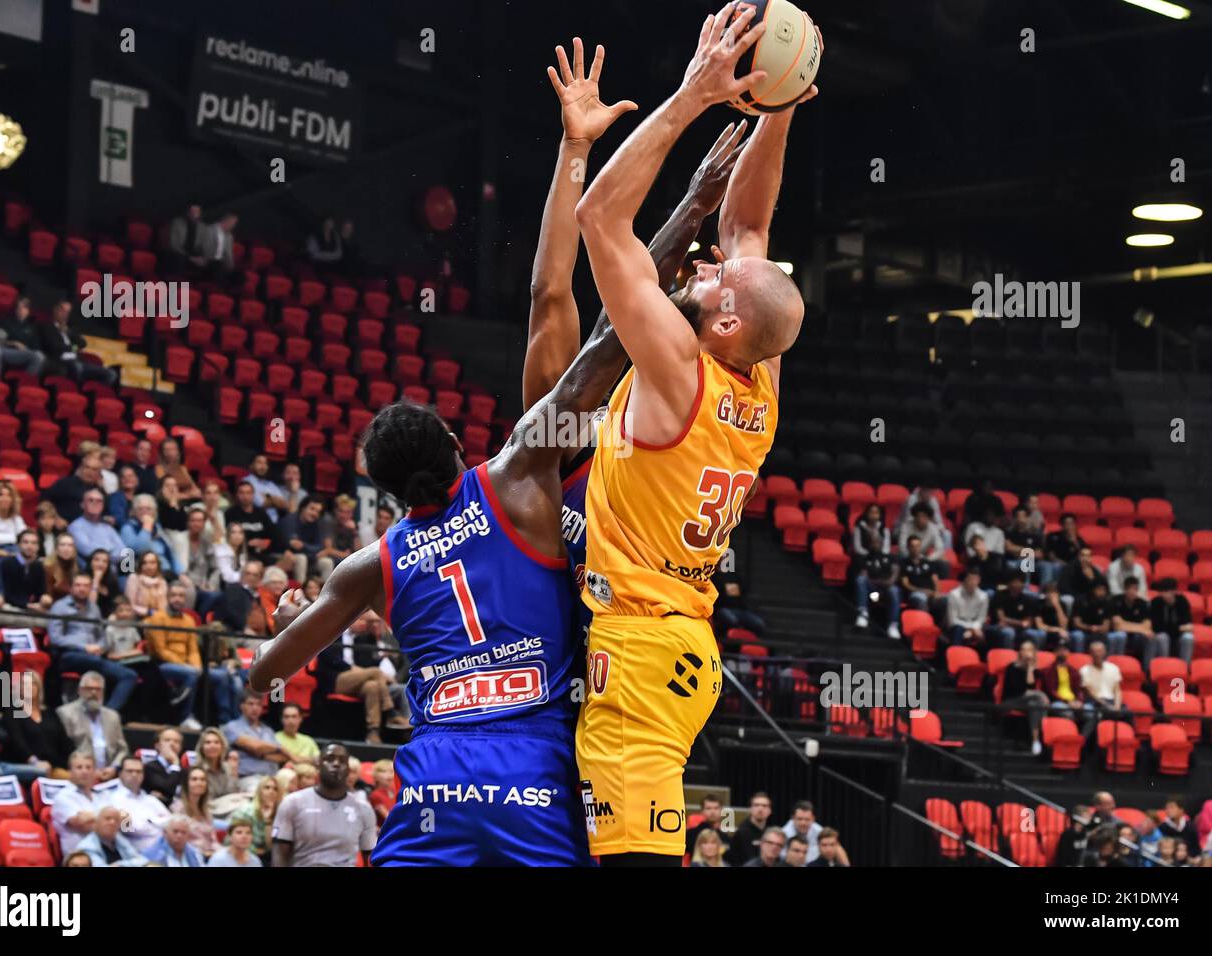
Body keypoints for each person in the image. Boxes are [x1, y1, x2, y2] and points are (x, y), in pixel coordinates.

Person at [251, 36, 730, 868]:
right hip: (563, 743)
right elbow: (596, 320)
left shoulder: (380, 557)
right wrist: (675, 199)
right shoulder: (526, 462)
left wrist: (288, 628)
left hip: (441, 779)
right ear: (452, 440)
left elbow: (265, 673)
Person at [569, 6, 823, 865]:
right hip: (676, 641)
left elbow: (601, 222)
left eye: (715, 279)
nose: (707, 266)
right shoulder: (758, 366)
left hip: (642, 654)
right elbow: (747, 232)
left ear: (719, 324)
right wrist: (779, 104)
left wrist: (690, 97)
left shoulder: (680, 366)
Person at [145, 581, 237, 727]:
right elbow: (160, 650)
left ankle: (225, 722)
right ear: (167, 597)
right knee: (192, 674)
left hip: (188, 666)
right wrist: (190, 667)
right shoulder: (157, 618)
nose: (178, 599)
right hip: (163, 665)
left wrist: (197, 667)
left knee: (223, 676)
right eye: (174, 595)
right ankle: (185, 717)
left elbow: (193, 649)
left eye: (181, 596)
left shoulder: (188, 620)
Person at [271, 743, 377, 867]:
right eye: (329, 759)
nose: (336, 764)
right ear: (318, 765)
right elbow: (279, 855)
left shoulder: (363, 808)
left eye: (342, 761)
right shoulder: (293, 802)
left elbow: (370, 858)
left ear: (348, 769)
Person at [48, 572, 137, 713]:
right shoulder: (60, 607)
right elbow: (55, 638)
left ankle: (107, 713)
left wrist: (100, 647)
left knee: (129, 675)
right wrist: (85, 647)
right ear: (71, 588)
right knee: (96, 662)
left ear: (90, 589)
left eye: (85, 586)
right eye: (77, 585)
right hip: (69, 655)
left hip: (94, 657)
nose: (81, 589)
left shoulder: (94, 608)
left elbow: (101, 636)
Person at [314, 612, 407, 743]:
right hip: (335, 679)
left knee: (372, 686)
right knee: (375, 672)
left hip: (356, 680)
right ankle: (390, 711)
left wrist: (381, 657)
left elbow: (366, 662)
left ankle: (373, 733)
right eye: (361, 620)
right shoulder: (333, 633)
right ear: (351, 620)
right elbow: (331, 659)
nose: (365, 624)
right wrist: (356, 669)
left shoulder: (361, 639)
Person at [56, 671, 129, 778]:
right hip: (80, 774)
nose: (94, 693)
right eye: (89, 688)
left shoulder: (113, 716)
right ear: (80, 690)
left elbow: (123, 749)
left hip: (110, 774)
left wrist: (114, 767)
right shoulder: (65, 713)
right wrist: (88, 770)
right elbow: (65, 749)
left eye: (98, 689)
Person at [2, 672, 73, 776]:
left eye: (33, 683)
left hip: (57, 765)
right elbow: (17, 742)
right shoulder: (13, 712)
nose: (29, 687)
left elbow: (64, 740)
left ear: (39, 687)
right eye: (24, 684)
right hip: (29, 766)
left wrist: (74, 760)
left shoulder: (49, 712)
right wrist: (34, 761)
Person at [223, 691, 290, 789]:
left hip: (273, 777)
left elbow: (283, 757)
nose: (255, 708)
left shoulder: (268, 730)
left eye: (258, 704)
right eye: (251, 704)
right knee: (260, 791)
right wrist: (277, 748)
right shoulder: (232, 727)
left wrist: (262, 755)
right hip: (249, 778)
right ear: (242, 706)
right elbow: (255, 747)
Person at [39, 300, 116, 385]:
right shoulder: (47, 327)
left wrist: (68, 332)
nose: (65, 314)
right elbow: (55, 346)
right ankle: (77, 389)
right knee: (77, 367)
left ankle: (93, 393)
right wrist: (74, 348)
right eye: (63, 310)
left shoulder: (70, 330)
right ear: (55, 310)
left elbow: (83, 343)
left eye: (68, 312)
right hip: (61, 363)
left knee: (111, 373)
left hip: (78, 361)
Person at [109, 755, 171, 852]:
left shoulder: (150, 799)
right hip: (137, 853)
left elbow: (171, 821)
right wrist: (157, 822)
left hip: (164, 849)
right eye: (130, 771)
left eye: (138, 771)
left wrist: (149, 822)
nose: (134, 775)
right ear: (120, 774)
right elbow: (129, 828)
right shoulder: (114, 799)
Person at [51, 752, 107, 856]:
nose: (84, 771)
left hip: (108, 853)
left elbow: (125, 821)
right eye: (79, 767)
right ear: (70, 772)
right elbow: (82, 825)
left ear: (95, 772)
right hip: (81, 857)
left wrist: (91, 816)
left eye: (88, 767)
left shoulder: (103, 795)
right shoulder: (63, 797)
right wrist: (110, 818)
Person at [1001, 638, 1050, 755]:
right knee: (1039, 698)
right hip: (1011, 701)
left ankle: (1035, 741)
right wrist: (1041, 694)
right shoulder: (1011, 667)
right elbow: (1018, 690)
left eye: (1029, 650)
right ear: (1019, 652)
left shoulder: (1035, 670)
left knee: (1034, 704)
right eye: (1023, 649)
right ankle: (1042, 735)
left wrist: (1030, 669)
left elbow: (1031, 687)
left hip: (1028, 703)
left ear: (1034, 653)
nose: (1026, 652)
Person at [1040, 641, 1096, 738]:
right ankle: (1070, 739)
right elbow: (1051, 691)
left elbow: (1079, 691)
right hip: (1057, 702)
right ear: (1055, 653)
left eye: (1065, 650)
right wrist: (1067, 702)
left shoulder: (1074, 671)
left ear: (1068, 653)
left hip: (1074, 702)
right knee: (1067, 713)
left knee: (1092, 712)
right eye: (1059, 650)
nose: (1062, 653)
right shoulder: (1048, 670)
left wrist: (1079, 702)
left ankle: (1082, 739)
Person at [854, 529, 902, 639]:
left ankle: (893, 625)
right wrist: (880, 582)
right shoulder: (864, 559)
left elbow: (893, 578)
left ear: (881, 543)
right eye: (872, 542)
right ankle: (863, 613)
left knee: (894, 590)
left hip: (886, 594)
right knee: (861, 580)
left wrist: (881, 581)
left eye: (877, 541)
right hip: (873, 594)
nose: (875, 544)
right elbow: (864, 577)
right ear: (869, 544)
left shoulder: (891, 558)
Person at [170, 765, 218, 858]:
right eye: (194, 779)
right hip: (191, 857)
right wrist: (204, 854)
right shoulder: (177, 809)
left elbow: (213, 840)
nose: (199, 783)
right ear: (186, 784)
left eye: (202, 779)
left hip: (211, 856)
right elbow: (179, 842)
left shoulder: (206, 811)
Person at [67, 488, 126, 564]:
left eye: (99, 501)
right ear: (82, 505)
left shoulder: (107, 527)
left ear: (103, 506)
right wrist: (112, 549)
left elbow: (124, 552)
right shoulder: (75, 527)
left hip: (112, 573)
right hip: (87, 574)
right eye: (90, 500)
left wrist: (103, 551)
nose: (95, 503)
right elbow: (89, 551)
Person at [43, 452, 104, 525]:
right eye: (87, 467)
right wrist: (56, 518)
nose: (89, 472)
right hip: (63, 528)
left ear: (99, 473)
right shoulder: (65, 483)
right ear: (81, 468)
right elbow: (44, 500)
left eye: (94, 469)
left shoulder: (100, 492)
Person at [989, 572, 1045, 649]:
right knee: (1009, 632)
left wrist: (1014, 623)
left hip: (1019, 629)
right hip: (999, 626)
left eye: (1021, 582)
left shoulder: (1028, 599)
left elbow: (1027, 623)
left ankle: (1037, 658)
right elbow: (1001, 618)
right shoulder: (999, 595)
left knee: (1038, 634)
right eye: (1016, 582)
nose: (1019, 584)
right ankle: (1008, 657)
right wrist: (1020, 623)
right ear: (1009, 583)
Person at [76, 806, 147, 867]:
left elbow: (141, 860)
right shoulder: (86, 846)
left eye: (116, 820)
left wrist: (120, 865)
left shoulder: (119, 839)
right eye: (107, 818)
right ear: (96, 822)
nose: (112, 822)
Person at [1149, 578, 1196, 665]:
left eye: (1167, 591)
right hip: (1163, 634)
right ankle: (1164, 665)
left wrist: (1174, 628)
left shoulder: (1182, 601)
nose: (1164, 594)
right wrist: (1179, 628)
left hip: (1179, 635)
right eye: (1162, 591)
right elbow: (1157, 627)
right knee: (1163, 637)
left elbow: (1188, 623)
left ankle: (1185, 667)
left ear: (1174, 591)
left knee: (1189, 637)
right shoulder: (1156, 602)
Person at [1108, 576, 1153, 661]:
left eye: (1135, 589)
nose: (1133, 592)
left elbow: (1147, 626)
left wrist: (1125, 624)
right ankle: (1117, 663)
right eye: (1130, 589)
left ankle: (1147, 669)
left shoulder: (1142, 603)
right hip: (1118, 635)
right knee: (1121, 635)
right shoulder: (1115, 601)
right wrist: (1141, 628)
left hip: (1136, 637)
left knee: (1150, 637)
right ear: (1125, 589)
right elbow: (1118, 626)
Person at [724, 792, 774, 866]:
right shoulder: (741, 833)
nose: (760, 809)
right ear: (750, 809)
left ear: (770, 811)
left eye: (764, 806)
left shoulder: (771, 833)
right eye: (756, 805)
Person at [1079, 638, 1125, 720]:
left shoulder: (1114, 668)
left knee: (1129, 714)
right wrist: (1107, 706)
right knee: (1091, 713)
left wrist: (1117, 706)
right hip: (1095, 702)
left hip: (1111, 701)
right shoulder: (1084, 670)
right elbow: (1090, 693)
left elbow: (1117, 690)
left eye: (1100, 651)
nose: (1097, 654)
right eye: (1094, 652)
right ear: (1090, 654)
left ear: (1105, 652)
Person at [945, 568, 990, 650]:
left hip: (975, 627)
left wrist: (973, 630)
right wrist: (972, 629)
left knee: (992, 632)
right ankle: (956, 656)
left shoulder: (983, 596)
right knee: (958, 630)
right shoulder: (954, 594)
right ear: (965, 580)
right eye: (971, 579)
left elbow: (981, 619)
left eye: (976, 579)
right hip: (956, 627)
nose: (973, 582)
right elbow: (952, 621)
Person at [1071, 580, 1118, 655]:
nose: (1102, 592)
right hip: (1083, 630)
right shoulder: (1080, 601)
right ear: (1093, 590)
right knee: (1078, 635)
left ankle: (1105, 661)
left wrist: (1097, 628)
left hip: (1099, 631)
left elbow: (1106, 626)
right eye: (1099, 589)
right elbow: (1076, 623)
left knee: (1109, 636)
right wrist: (1089, 627)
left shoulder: (1107, 603)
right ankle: (1079, 658)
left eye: (1104, 590)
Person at [143, 726, 185, 803]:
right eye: (167, 740)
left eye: (176, 741)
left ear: (181, 747)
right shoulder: (149, 767)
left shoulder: (185, 771)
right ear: (157, 745)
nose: (172, 744)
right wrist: (175, 763)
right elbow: (167, 789)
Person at [368, 758, 397, 828]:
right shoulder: (375, 795)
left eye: (391, 771)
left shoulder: (396, 791)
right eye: (385, 771)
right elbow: (388, 817)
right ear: (376, 775)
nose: (390, 775)